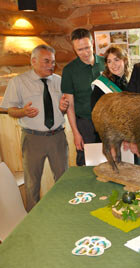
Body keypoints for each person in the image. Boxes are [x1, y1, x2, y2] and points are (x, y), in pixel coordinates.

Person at [0, 45, 68, 212]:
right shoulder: (18, 82)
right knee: (32, 183)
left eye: (53, 62)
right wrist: (23, 111)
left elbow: (64, 107)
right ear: (33, 61)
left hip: (58, 137)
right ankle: (32, 219)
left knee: (64, 180)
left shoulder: (59, 81)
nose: (51, 65)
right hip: (32, 139)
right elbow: (10, 109)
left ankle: (65, 211)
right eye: (46, 61)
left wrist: (64, 107)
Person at [61, 28, 105, 166]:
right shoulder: (69, 70)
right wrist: (76, 133)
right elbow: (70, 105)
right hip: (85, 124)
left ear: (93, 43)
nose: (85, 53)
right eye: (80, 50)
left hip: (108, 122)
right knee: (86, 163)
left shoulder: (107, 63)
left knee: (112, 160)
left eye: (87, 47)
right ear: (74, 49)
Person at [90, 45, 130, 110]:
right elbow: (96, 112)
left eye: (116, 60)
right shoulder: (101, 85)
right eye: (109, 61)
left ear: (124, 61)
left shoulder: (132, 80)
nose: (113, 65)